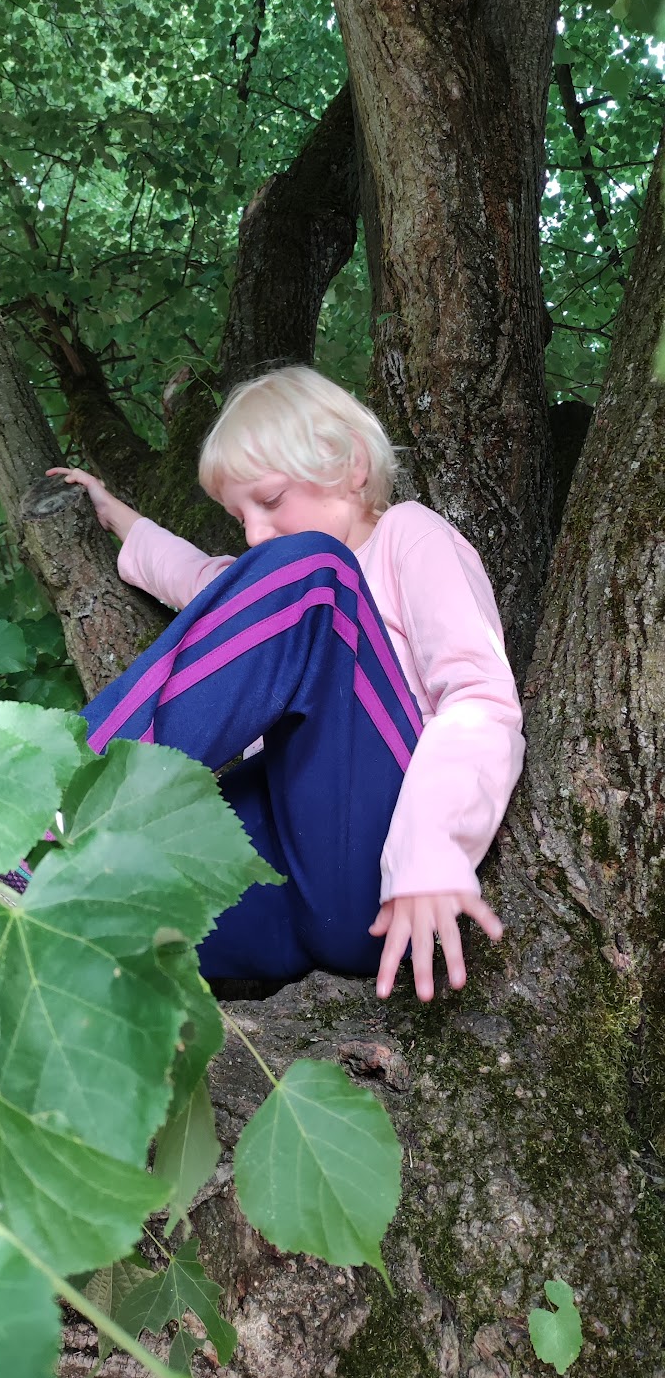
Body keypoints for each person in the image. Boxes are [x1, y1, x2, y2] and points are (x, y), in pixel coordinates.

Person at [44, 365, 524, 1002]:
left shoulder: (404, 538)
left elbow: (480, 699)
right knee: (88, 898)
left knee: (315, 573)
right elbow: (202, 581)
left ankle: (56, 796)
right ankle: (32, 891)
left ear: (352, 465)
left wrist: (434, 850)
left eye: (269, 500)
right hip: (292, 882)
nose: (252, 532)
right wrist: (118, 516)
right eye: (238, 514)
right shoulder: (289, 589)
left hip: (385, 863)